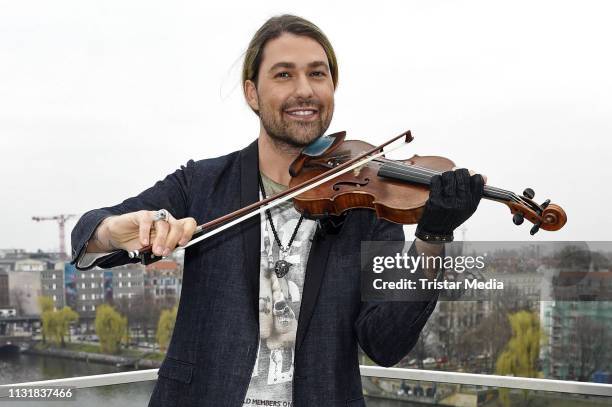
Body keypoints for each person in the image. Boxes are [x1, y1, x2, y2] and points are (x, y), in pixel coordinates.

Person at [70, 14, 484, 407]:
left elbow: (385, 342)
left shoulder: (369, 204)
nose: (304, 89)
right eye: (284, 74)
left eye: (317, 74)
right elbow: (88, 233)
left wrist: (432, 240)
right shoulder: (202, 182)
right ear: (252, 92)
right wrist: (112, 229)